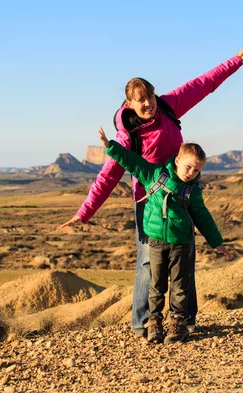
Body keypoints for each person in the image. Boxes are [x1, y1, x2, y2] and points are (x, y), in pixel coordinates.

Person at [62, 47, 243, 338]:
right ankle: (143, 323)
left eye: (149, 96)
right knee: (149, 262)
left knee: (184, 259)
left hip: (183, 194)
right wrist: (84, 212)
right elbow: (108, 176)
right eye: (140, 100)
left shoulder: (168, 106)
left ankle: (184, 320)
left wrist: (233, 63)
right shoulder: (127, 136)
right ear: (129, 103)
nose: (148, 104)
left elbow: (201, 85)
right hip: (149, 203)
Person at [98, 127, 229, 343]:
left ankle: (178, 324)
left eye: (196, 171)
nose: (191, 173)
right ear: (177, 160)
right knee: (156, 285)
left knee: (180, 285)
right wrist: (110, 146)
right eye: (188, 167)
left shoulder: (193, 190)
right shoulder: (154, 175)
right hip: (156, 241)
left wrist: (217, 242)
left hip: (181, 244)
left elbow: (203, 216)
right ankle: (154, 323)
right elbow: (132, 162)